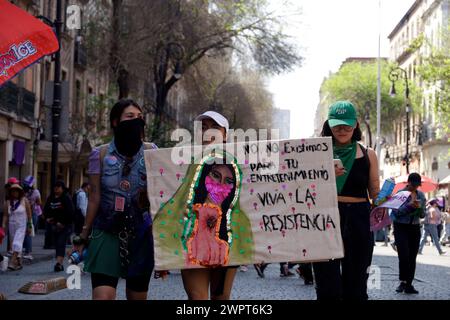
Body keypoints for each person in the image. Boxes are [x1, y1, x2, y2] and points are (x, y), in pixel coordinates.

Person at [157, 110, 252, 300]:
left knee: (221, 298)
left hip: (227, 241)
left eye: (215, 127)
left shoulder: (241, 164)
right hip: (191, 240)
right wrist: (164, 252)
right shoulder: (182, 163)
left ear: (226, 135)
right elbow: (172, 205)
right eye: (204, 127)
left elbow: (250, 205)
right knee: (197, 297)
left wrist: (257, 248)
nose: (208, 132)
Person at [79, 99, 157, 300]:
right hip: (106, 232)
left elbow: (159, 196)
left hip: (141, 235)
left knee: (136, 297)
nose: (136, 121)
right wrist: (83, 235)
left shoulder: (152, 151)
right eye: (129, 117)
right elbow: (94, 197)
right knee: (102, 296)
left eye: (139, 118)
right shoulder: (100, 154)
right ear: (115, 121)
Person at [312, 101, 380, 300]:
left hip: (359, 220)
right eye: (336, 125)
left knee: (357, 285)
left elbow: (374, 191)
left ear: (356, 125)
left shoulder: (369, 154)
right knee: (327, 286)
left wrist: (385, 198)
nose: (342, 130)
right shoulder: (316, 153)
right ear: (328, 125)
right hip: (325, 218)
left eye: (347, 125)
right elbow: (303, 189)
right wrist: (325, 173)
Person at [390, 172, 426, 294]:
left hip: (415, 228)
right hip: (401, 227)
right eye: (414, 185)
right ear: (409, 183)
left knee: (412, 257)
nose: (416, 187)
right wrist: (409, 206)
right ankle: (402, 282)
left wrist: (420, 209)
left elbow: (423, 214)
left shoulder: (421, 195)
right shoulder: (400, 194)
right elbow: (395, 213)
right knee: (404, 255)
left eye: (417, 185)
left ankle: (409, 284)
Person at [43, 180, 74, 272]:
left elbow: (71, 212)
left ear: (62, 188)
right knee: (57, 243)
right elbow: (46, 209)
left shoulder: (66, 198)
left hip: (64, 225)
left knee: (61, 242)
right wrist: (47, 218)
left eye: (58, 187)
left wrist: (63, 223)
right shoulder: (51, 198)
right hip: (53, 225)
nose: (56, 189)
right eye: (55, 187)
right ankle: (59, 262)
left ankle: (59, 263)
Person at [1, 184, 32, 270]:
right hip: (12, 225)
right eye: (13, 191)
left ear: (20, 192)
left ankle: (12, 261)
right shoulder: (7, 202)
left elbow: (29, 215)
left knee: (17, 243)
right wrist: (3, 224)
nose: (14, 193)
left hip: (21, 225)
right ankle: (18, 263)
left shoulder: (24, 201)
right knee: (14, 244)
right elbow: (5, 215)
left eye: (16, 191)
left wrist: (29, 226)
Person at [22, 175, 42, 260]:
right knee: (26, 232)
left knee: (28, 232)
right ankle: (26, 250)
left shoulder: (34, 192)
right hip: (27, 213)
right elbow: (39, 203)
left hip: (32, 213)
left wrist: (32, 203)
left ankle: (28, 251)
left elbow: (39, 203)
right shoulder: (31, 192)